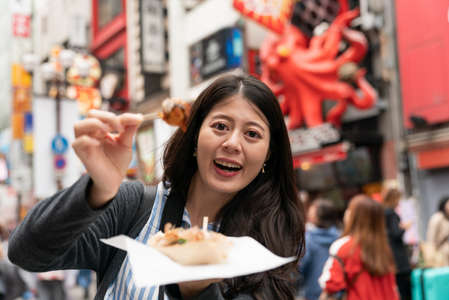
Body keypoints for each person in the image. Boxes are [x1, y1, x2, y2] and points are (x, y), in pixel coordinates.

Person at [8, 74, 305, 300]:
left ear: (269, 154)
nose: (232, 143)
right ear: (194, 136)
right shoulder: (135, 208)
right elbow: (26, 253)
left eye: (252, 134)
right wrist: (96, 190)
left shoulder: (269, 243)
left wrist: (196, 292)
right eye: (220, 126)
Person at [319, 195, 399, 300]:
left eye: (349, 209)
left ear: (355, 216)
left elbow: (330, 283)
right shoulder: (384, 248)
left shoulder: (343, 247)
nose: (346, 212)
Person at [298, 199, 340, 300]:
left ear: (316, 218)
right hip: (334, 294)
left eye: (311, 212)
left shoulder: (308, 239)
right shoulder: (340, 237)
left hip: (312, 293)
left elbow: (300, 268)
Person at [381, 188, 411, 300]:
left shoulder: (382, 213)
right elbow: (396, 233)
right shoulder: (391, 214)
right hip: (399, 258)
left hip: (390, 257)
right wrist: (404, 227)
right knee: (405, 291)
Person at [425, 196, 449, 267]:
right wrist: (431, 255)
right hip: (439, 253)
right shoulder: (437, 218)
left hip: (446, 252)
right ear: (444, 205)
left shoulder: (447, 219)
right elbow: (430, 238)